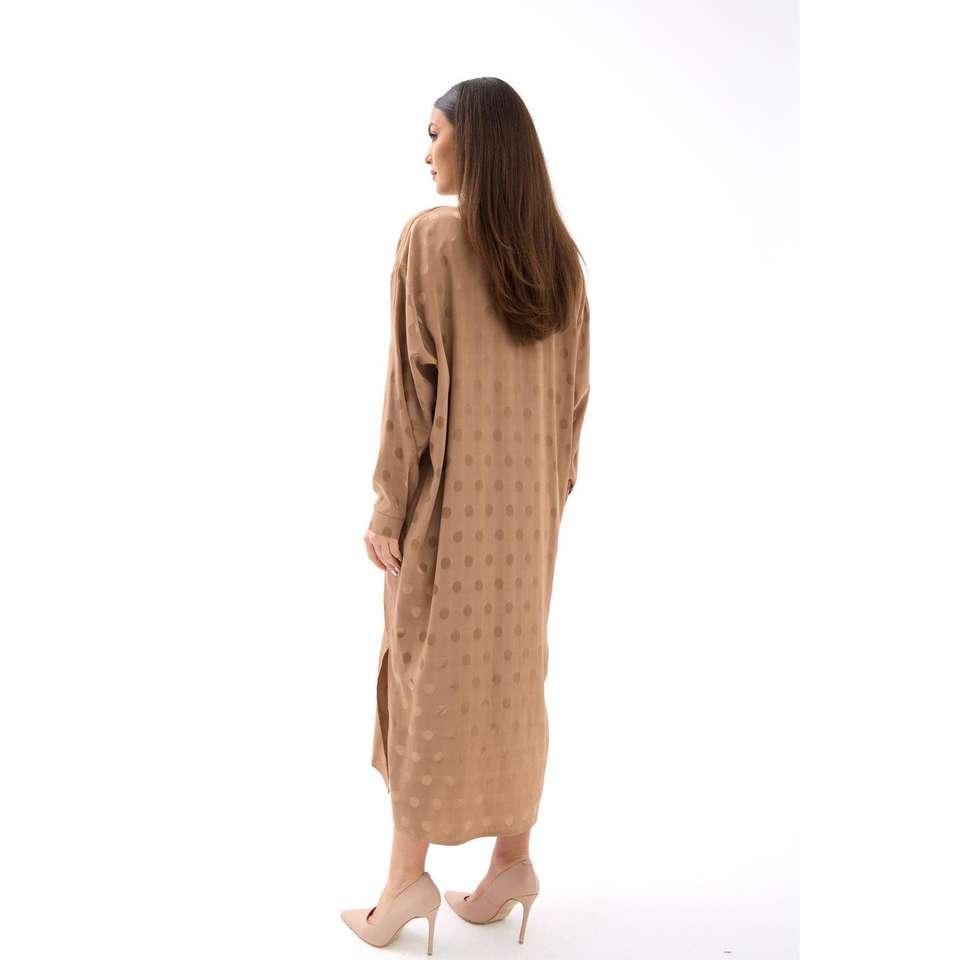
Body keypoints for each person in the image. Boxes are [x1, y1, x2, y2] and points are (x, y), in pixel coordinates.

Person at [342, 77, 591, 954]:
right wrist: (545, 502)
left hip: (450, 515)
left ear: (474, 143)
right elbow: (574, 405)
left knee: (425, 681)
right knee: (514, 680)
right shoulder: (561, 261)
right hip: (528, 522)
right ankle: (512, 863)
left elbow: (409, 394)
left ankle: (403, 886)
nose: (426, 153)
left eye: (435, 133)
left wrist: (389, 505)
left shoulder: (433, 240)